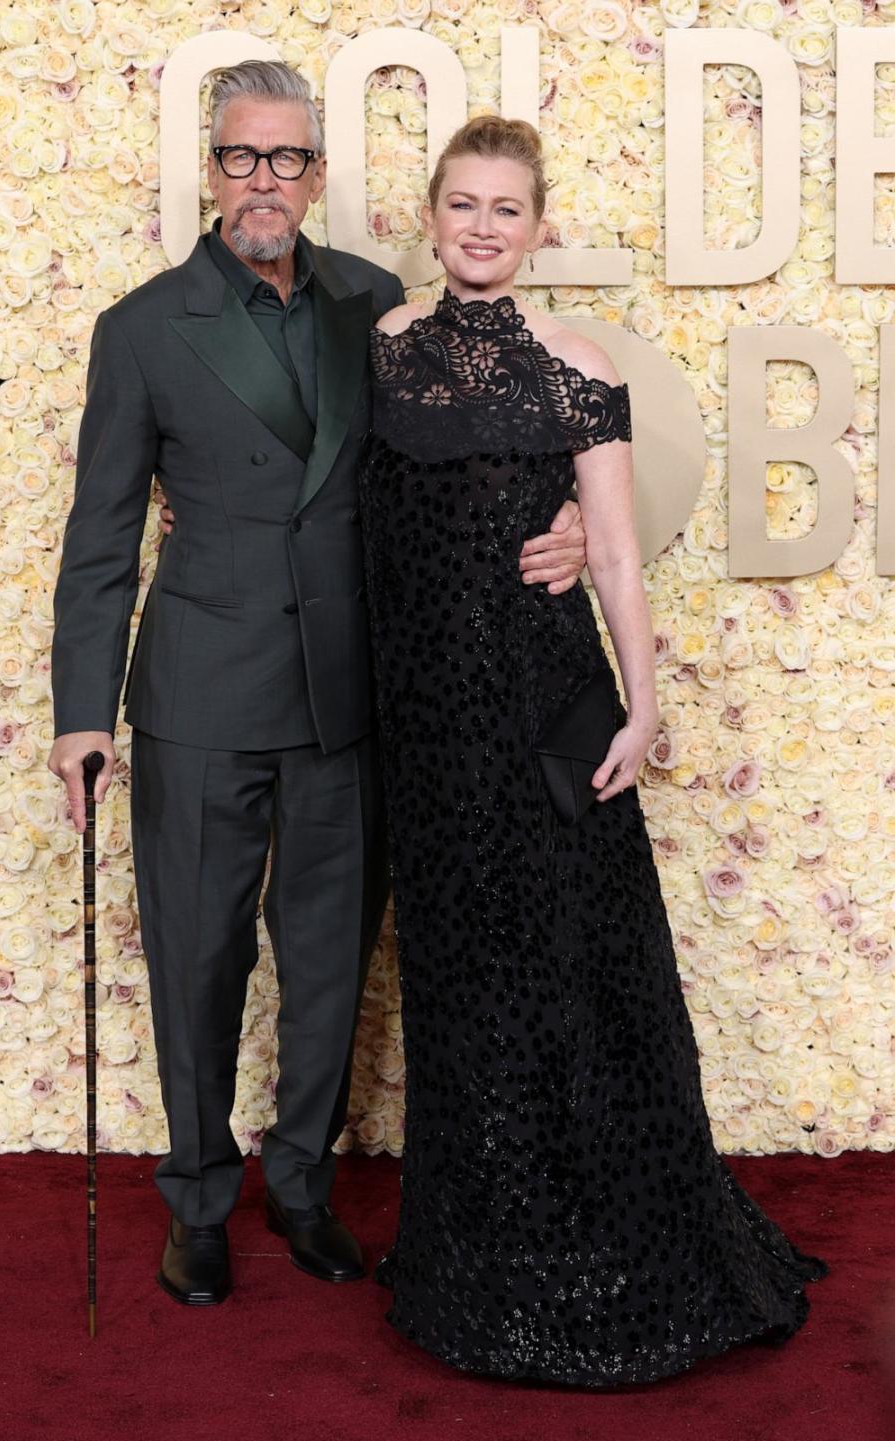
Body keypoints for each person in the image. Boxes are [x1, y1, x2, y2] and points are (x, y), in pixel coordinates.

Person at [47, 62, 586, 1308]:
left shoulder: (375, 303)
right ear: (212, 167)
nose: (265, 182)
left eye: (288, 160)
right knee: (197, 954)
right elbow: (100, 536)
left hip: (350, 690)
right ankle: (197, 1197)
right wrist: (83, 711)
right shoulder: (141, 327)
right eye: (243, 158)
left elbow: (462, 457)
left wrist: (563, 518)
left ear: (318, 174)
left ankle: (300, 1186)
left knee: (332, 956)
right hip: (197, 694)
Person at [352, 116, 828, 1385]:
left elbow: (612, 548)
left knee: (571, 957)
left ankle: (610, 1234)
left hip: (542, 699)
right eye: (463, 205)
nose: (483, 229)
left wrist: (644, 700)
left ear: (541, 225)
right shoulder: (386, 349)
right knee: (460, 974)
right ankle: (483, 1246)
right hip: (429, 725)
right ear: (433, 215)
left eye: (508, 210)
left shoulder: (578, 365)